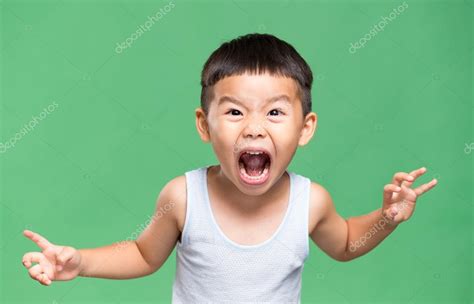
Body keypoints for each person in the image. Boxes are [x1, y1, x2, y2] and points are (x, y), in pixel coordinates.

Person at [21, 33, 438, 303]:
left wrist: (387, 218)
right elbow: (143, 254)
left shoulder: (310, 201)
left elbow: (346, 244)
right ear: (205, 125)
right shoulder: (183, 197)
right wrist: (81, 263)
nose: (254, 128)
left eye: (275, 112)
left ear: (305, 128)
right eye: (235, 111)